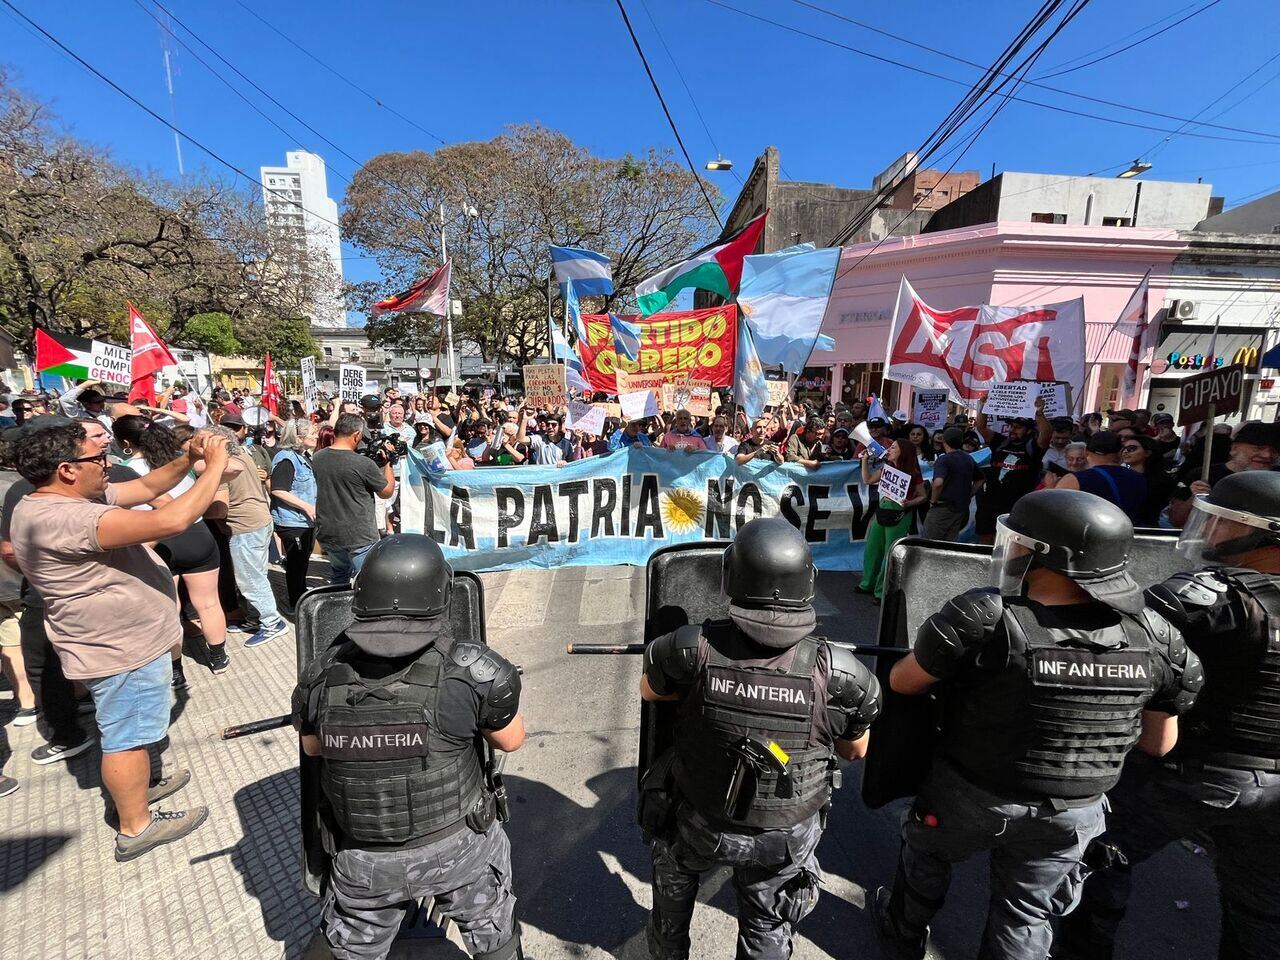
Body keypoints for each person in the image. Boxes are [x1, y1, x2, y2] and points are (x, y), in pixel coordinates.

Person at [873, 489, 1202, 960]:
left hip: (971, 792)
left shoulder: (987, 615)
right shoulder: (1157, 635)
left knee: (927, 854)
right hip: (1075, 811)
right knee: (1026, 913)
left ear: (1039, 554)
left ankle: (901, 934)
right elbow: (1160, 743)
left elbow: (904, 683)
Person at [1056, 471, 1280, 960]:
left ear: (1264, 535)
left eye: (1222, 522)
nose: (1211, 532)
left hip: (1195, 769)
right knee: (1261, 910)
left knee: (1099, 856)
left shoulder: (1211, 594)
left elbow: (1115, 643)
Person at [640, 517, 881, 960]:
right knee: (766, 928)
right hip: (784, 836)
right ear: (808, 582)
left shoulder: (693, 648)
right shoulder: (844, 675)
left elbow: (650, 690)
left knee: (671, 897)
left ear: (732, 578)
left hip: (699, 823)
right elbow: (855, 750)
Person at [292, 535, 525, 960]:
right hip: (460, 851)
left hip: (364, 860)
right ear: (441, 595)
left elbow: (312, 750)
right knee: (494, 934)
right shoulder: (472, 672)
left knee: (350, 946)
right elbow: (511, 739)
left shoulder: (320, 678)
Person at [10, 422, 235, 860]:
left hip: (119, 640)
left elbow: (150, 484)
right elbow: (172, 518)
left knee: (132, 725)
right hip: (118, 646)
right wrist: (217, 465)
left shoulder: (49, 499)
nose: (106, 463)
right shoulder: (69, 517)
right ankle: (136, 826)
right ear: (67, 470)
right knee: (125, 736)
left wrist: (189, 459)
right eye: (96, 458)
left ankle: (142, 788)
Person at [113, 416, 231, 677]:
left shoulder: (122, 470)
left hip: (154, 536)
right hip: (196, 533)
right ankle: (218, 657)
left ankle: (175, 670)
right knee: (209, 602)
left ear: (125, 442)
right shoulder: (181, 461)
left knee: (170, 607)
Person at [207, 423, 289, 648]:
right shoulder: (243, 455)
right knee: (256, 574)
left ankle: (272, 623)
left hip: (244, 526)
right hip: (259, 521)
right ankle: (256, 617)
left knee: (250, 579)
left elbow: (219, 509)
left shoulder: (223, 467)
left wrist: (194, 510)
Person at [312, 413, 396, 585]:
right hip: (359, 535)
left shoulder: (318, 458)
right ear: (356, 435)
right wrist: (389, 463)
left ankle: (335, 609)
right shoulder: (363, 464)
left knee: (339, 576)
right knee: (370, 581)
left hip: (329, 532)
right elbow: (386, 492)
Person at [1169, 420, 1280, 527]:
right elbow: (1176, 520)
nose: (1267, 455)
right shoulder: (1203, 475)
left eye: (1274, 450)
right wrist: (1196, 497)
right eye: (1258, 448)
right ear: (1235, 449)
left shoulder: (1276, 480)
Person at [857, 439, 927, 603]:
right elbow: (868, 480)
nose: (889, 449)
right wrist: (865, 461)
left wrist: (908, 503)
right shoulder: (886, 468)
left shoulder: (914, 473)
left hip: (900, 515)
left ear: (903, 452)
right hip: (883, 511)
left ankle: (882, 592)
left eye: (893, 447)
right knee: (872, 549)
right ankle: (867, 584)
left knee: (890, 553)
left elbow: (923, 496)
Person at [270, 419, 318, 611]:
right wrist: (306, 506)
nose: (316, 435)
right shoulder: (286, 458)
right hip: (292, 521)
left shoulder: (304, 456)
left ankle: (300, 596)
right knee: (296, 565)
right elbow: (278, 489)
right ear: (298, 437)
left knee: (302, 562)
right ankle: (295, 604)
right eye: (312, 433)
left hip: (305, 521)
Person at [1056, 431, 1147, 523]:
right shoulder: (1139, 478)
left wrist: (1049, 487)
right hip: (1129, 533)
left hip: (1088, 535)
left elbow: (1054, 513)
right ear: (1120, 453)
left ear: (1086, 453)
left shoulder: (1073, 480)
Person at [921, 427, 978, 541]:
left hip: (942, 508)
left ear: (944, 440)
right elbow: (981, 479)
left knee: (929, 545)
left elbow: (938, 483)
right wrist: (969, 494)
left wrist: (933, 501)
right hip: (960, 509)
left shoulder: (943, 460)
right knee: (948, 545)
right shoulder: (968, 458)